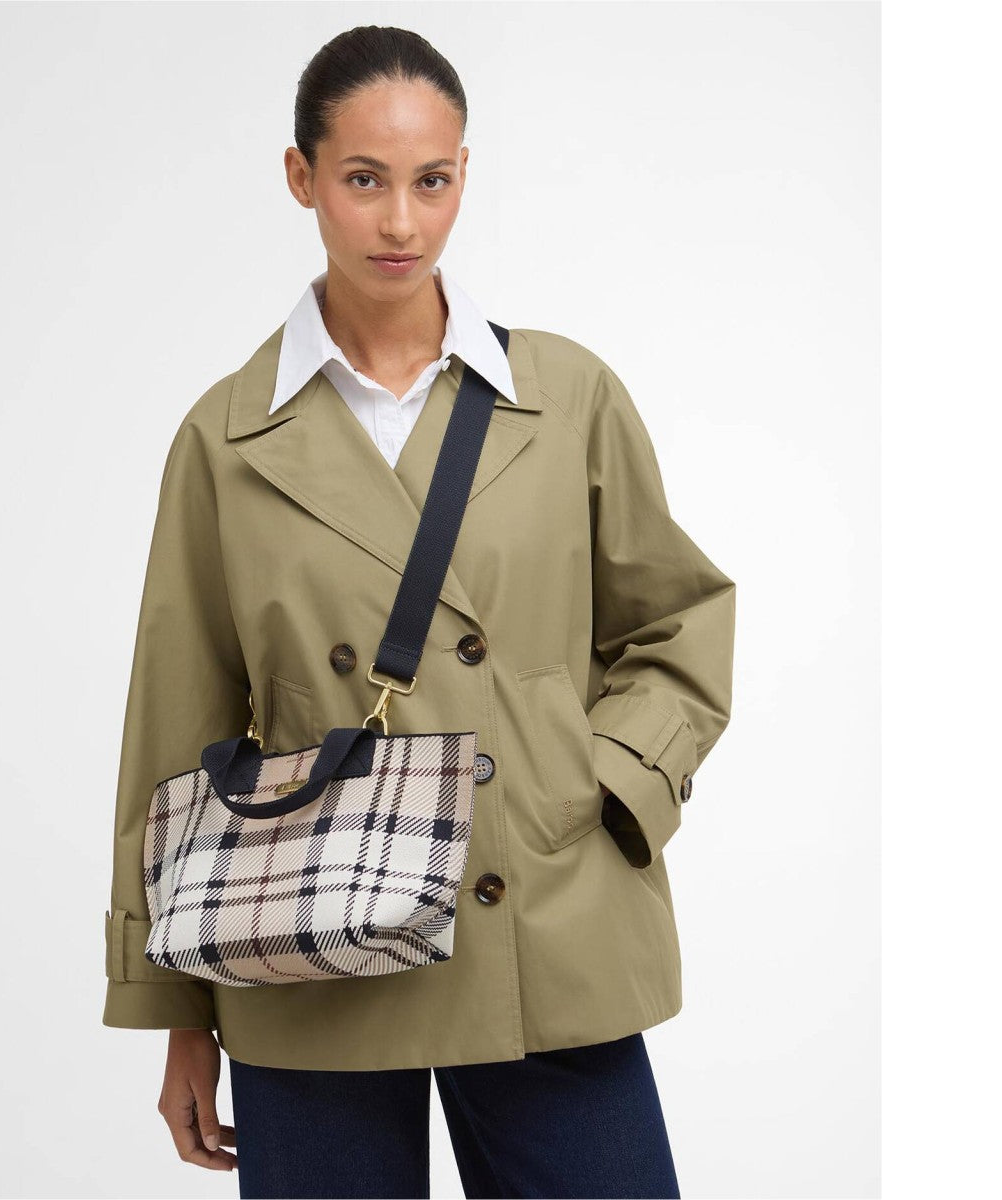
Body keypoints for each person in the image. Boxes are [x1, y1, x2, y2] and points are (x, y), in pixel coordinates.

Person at [102, 24, 736, 1200]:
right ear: (301, 178)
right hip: (305, 940)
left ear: (463, 176)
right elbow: (176, 724)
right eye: (364, 180)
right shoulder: (226, 439)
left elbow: (679, 623)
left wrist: (599, 784)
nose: (401, 222)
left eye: (431, 181)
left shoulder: (566, 397)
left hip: (544, 916)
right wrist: (174, 1006)